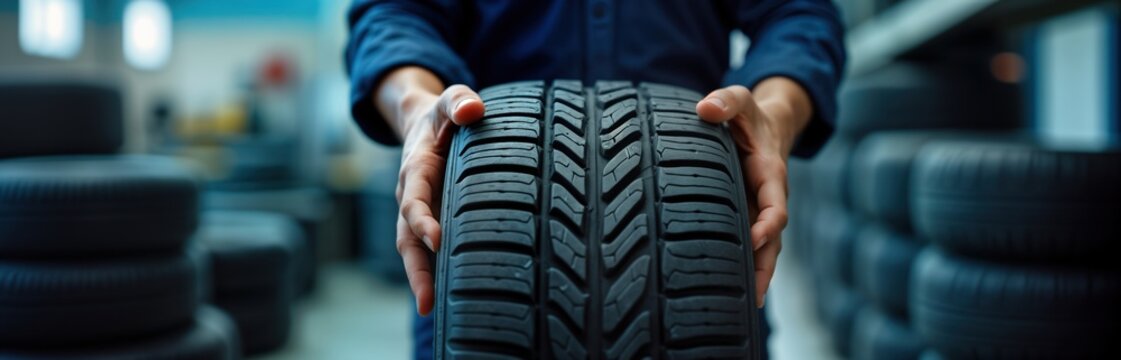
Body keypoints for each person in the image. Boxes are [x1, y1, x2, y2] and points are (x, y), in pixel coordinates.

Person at [346, 1, 845, 358]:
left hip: (697, 262)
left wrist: (773, 117)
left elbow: (798, 15)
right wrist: (416, 111)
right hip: (488, 262)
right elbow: (393, 14)